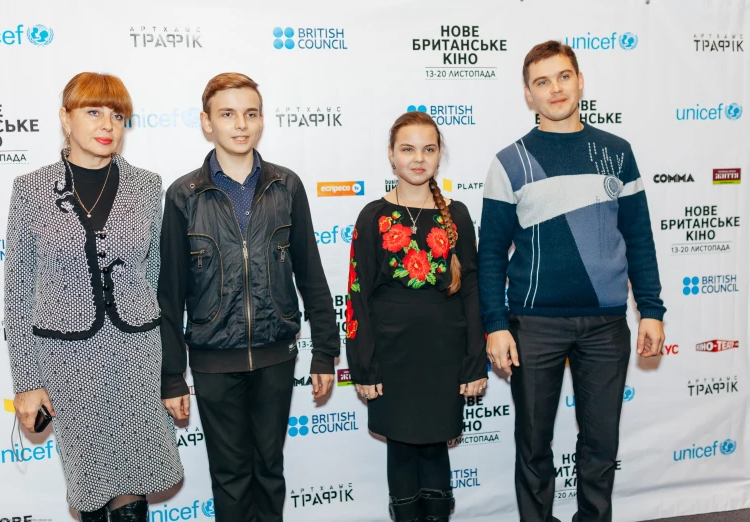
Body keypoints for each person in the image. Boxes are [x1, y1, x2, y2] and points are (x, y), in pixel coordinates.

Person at [478, 40, 666, 522]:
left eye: (563, 77)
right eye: (542, 81)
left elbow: (639, 239)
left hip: (607, 326)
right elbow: (491, 254)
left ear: (580, 81)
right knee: (534, 447)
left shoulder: (617, 153)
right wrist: (496, 325)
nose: (555, 89)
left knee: (601, 446)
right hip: (533, 325)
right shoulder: (510, 162)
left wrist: (652, 310)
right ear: (528, 94)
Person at [158, 72, 340, 521]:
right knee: (230, 477)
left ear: (261, 121)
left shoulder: (287, 186)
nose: (240, 124)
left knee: (270, 472)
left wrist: (325, 355)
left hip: (277, 357)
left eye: (250, 113)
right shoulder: (184, 194)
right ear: (207, 123)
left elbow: (311, 275)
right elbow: (170, 294)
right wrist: (172, 376)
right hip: (213, 360)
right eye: (227, 114)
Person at [4, 72, 184, 522]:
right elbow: (19, 290)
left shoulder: (147, 186)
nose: (108, 124)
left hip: (134, 351)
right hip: (67, 360)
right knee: (91, 483)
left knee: (135, 477)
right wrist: (27, 382)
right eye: (93, 111)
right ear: (65, 119)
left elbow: (155, 275)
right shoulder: (30, 189)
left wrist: (169, 371)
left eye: (118, 115)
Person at [346, 111, 488, 522]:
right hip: (392, 357)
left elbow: (473, 292)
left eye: (428, 149)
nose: (418, 158)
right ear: (391, 155)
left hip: (444, 355)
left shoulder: (457, 214)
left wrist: (474, 362)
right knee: (402, 450)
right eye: (408, 149)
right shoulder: (372, 216)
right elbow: (357, 295)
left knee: (435, 447)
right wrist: (365, 367)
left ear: (439, 154)